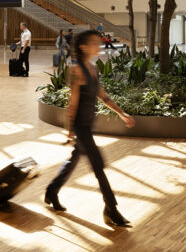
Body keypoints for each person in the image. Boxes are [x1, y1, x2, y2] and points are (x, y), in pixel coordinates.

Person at [44, 29, 134, 228]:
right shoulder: (76, 69)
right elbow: (73, 101)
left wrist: (122, 113)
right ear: (83, 47)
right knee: (98, 165)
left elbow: (103, 96)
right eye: (94, 42)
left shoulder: (93, 69)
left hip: (88, 123)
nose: (98, 45)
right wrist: (70, 129)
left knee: (74, 160)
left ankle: (52, 190)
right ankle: (111, 208)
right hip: (81, 126)